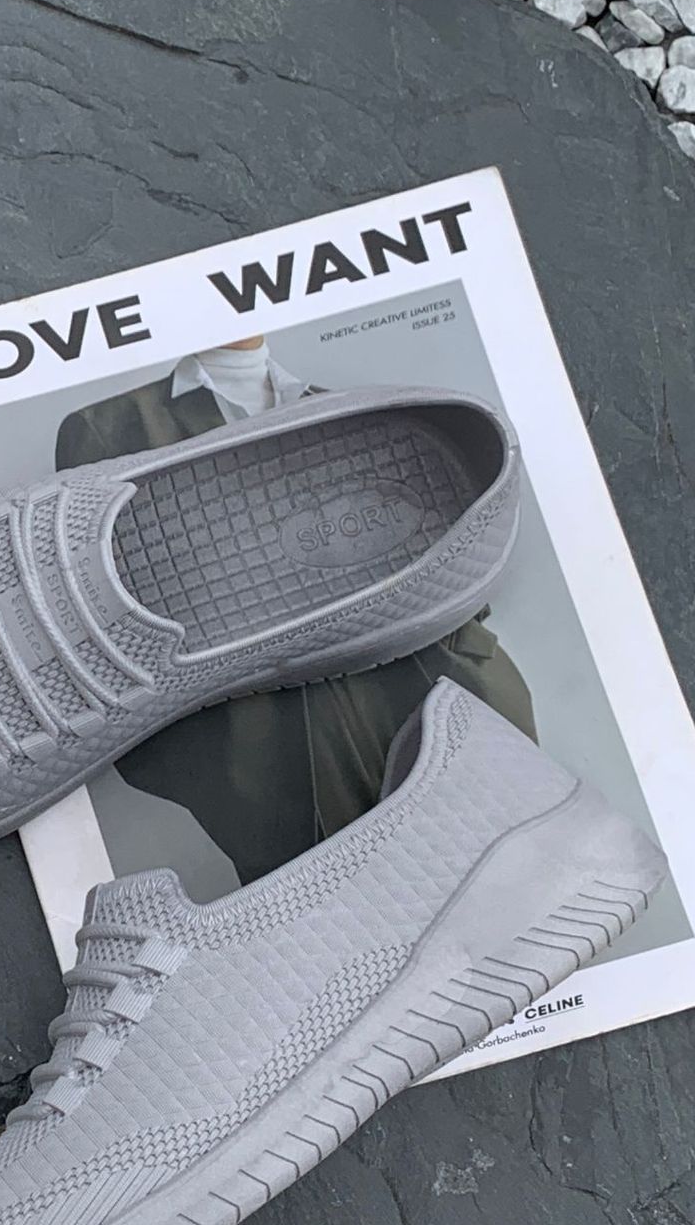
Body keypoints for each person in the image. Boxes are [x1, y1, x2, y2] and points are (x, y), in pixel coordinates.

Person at [55, 338, 535, 884]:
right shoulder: (110, 425)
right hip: (261, 744)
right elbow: (112, 607)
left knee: (498, 868)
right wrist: (218, 774)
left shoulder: (354, 414)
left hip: (419, 686)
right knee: (334, 908)